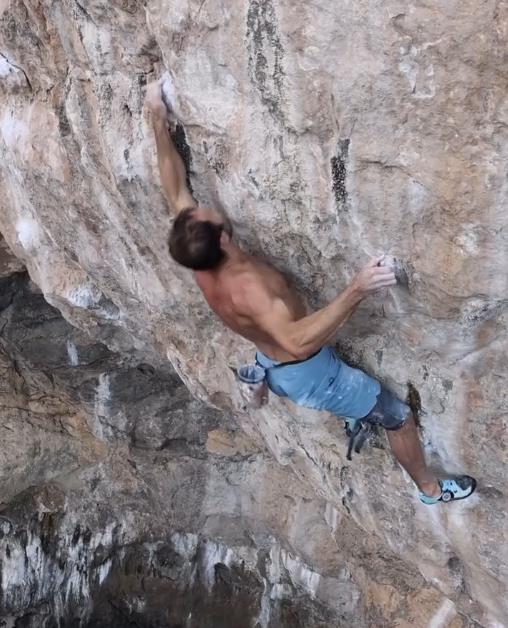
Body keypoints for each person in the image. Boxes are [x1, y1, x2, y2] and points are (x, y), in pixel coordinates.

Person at [145, 80, 476, 505]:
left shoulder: (199, 253)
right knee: (397, 416)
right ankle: (429, 489)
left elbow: (174, 189)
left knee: (314, 368)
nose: (208, 208)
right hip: (308, 371)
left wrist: (158, 117)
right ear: (224, 241)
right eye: (211, 215)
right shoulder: (251, 293)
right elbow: (298, 341)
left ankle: (349, 410)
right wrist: (357, 287)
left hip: (276, 356)